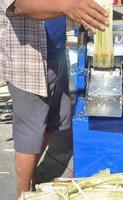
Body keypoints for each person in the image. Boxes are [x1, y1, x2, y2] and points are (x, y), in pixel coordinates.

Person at [0, 0, 109, 199]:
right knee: (29, 134)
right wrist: (67, 6)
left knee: (54, 124)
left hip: (57, 53)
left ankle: (32, 174)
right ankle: (22, 194)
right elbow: (21, 6)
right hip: (28, 60)